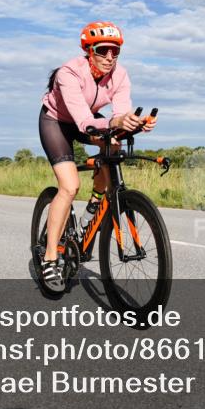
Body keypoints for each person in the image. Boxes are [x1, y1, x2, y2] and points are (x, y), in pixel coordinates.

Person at [38, 21, 155, 289]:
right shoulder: (69, 73)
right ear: (89, 50)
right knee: (69, 187)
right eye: (103, 51)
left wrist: (135, 123)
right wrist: (116, 122)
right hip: (57, 122)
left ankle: (95, 203)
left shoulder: (120, 75)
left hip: (89, 118)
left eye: (115, 52)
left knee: (114, 143)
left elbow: (120, 113)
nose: (110, 58)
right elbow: (83, 121)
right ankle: (50, 258)